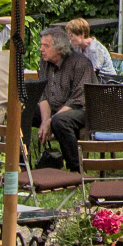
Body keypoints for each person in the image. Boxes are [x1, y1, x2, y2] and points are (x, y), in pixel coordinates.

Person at [32, 24, 94, 168]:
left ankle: (75, 167)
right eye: (41, 45)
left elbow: (78, 99)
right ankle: (22, 162)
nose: (41, 49)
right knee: (23, 112)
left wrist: (50, 121)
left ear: (59, 49)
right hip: (54, 107)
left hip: (82, 110)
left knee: (60, 121)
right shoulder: (45, 62)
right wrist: (45, 120)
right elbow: (43, 94)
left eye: (46, 46)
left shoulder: (80, 63)